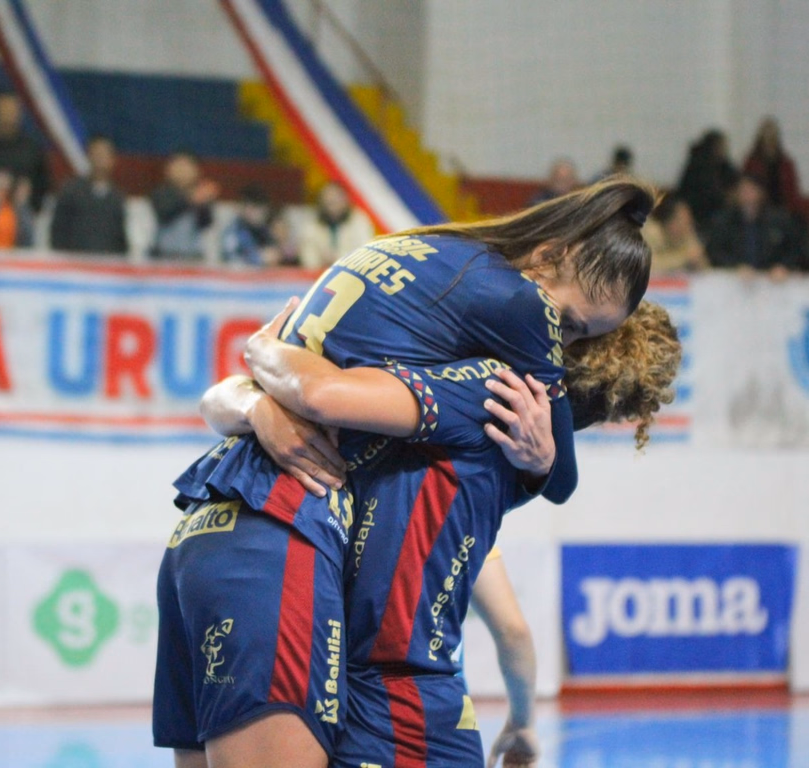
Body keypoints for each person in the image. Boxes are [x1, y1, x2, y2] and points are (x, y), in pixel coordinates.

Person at [153, 178, 657, 766]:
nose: (555, 346)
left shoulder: (430, 258)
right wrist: (545, 462)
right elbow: (318, 393)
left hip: (208, 520)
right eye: (568, 327)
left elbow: (243, 400)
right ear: (548, 257)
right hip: (288, 540)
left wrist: (255, 386)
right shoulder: (496, 378)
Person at [470, 548, 539, 768]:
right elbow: (514, 632)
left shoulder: (363, 520)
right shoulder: (461, 525)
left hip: (367, 715)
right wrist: (522, 723)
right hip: (444, 719)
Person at [706, 173, 803, 278]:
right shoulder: (724, 221)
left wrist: (784, 266)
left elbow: (795, 248)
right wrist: (735, 266)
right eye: (743, 191)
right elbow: (715, 251)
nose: (747, 195)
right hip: (737, 280)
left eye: (751, 190)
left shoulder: (778, 220)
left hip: (772, 279)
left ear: (760, 192)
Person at [49, 135, 128, 256]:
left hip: (107, 266)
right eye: (96, 154)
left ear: (112, 160)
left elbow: (120, 238)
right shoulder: (71, 191)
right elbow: (58, 231)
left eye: (104, 154)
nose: (100, 158)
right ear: (88, 156)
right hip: (74, 264)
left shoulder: (117, 197)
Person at [0, 94, 49, 212]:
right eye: (4, 111)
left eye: (12, 111)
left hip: (22, 208)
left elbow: (42, 183)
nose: (8, 116)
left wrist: (30, 200)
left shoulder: (32, 148)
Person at [149, 153, 219, 261]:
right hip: (163, 256)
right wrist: (190, 199)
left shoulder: (200, 194)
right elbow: (164, 214)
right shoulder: (161, 193)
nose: (182, 171)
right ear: (168, 170)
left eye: (187, 166)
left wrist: (203, 203)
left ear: (196, 170)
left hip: (193, 256)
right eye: (178, 166)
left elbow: (206, 224)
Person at [298, 181, 374, 270]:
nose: (332, 206)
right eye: (328, 202)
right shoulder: (312, 224)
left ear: (345, 200)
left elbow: (365, 252)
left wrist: (338, 259)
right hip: (320, 276)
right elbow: (307, 254)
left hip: (353, 274)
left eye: (335, 201)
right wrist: (319, 261)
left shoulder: (359, 221)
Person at [677, 129, 739, 238]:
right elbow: (708, 194)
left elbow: (735, 178)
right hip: (700, 212)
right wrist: (726, 198)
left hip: (714, 210)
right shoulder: (698, 165)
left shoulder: (722, 164)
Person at [742, 117, 802, 222]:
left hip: (782, 206)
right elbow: (746, 185)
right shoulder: (752, 161)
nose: (769, 138)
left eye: (772, 134)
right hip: (760, 208)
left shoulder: (786, 162)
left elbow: (792, 188)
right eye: (766, 134)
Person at [645, 193, 710, 274]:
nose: (688, 224)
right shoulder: (651, 232)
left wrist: (698, 260)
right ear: (670, 222)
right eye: (682, 220)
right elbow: (647, 266)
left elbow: (705, 269)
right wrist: (684, 258)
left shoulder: (687, 233)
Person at [220, 185, 281, 266]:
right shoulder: (233, 231)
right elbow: (232, 259)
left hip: (262, 276)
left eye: (262, 209)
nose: (260, 213)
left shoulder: (263, 230)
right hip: (238, 277)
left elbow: (274, 253)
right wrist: (259, 257)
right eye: (254, 208)